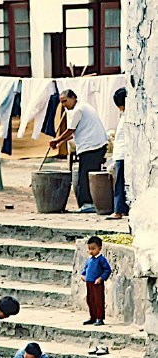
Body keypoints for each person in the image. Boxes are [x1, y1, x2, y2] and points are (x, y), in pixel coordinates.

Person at [49, 89, 108, 213]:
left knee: (84, 177)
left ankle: (88, 204)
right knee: (87, 175)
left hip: (92, 146)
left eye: (65, 101)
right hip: (94, 145)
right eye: (62, 103)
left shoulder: (78, 110)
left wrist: (56, 141)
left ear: (73, 97)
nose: (64, 105)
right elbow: (75, 132)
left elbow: (70, 130)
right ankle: (90, 203)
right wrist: (59, 142)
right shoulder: (83, 107)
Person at [81, 235, 112, 328]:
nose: (91, 251)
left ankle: (99, 318)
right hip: (89, 282)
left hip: (97, 283)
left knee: (98, 300)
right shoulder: (89, 259)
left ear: (100, 248)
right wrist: (83, 275)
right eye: (89, 249)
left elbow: (107, 270)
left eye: (93, 249)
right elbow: (85, 268)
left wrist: (101, 278)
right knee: (90, 300)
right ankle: (93, 317)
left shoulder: (101, 259)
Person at [108, 87, 129, 220]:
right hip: (122, 153)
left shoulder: (126, 117)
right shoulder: (126, 116)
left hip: (122, 154)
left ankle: (118, 210)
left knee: (119, 183)